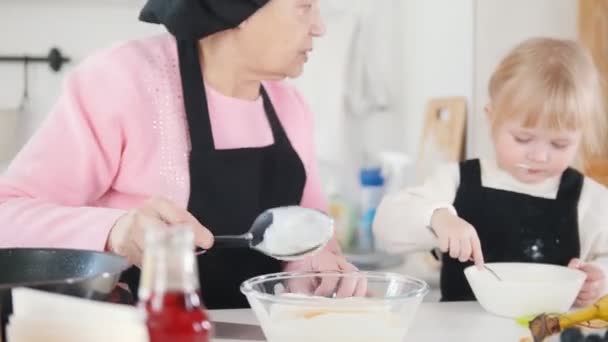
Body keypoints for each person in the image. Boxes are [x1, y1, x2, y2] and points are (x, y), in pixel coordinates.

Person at [0, 0, 363, 309]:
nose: (319, 27)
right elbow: (7, 214)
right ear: (238, 10)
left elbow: (311, 239)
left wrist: (315, 271)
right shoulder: (122, 81)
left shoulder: (290, 106)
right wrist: (114, 231)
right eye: (303, 7)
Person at [373, 37, 608, 307]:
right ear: (491, 117)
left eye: (559, 143)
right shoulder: (456, 181)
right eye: (523, 138)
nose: (540, 156)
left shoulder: (590, 200)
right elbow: (385, 226)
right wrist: (437, 218)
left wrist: (599, 278)